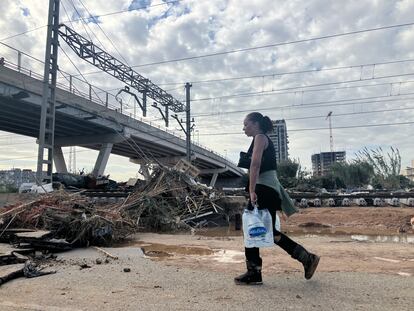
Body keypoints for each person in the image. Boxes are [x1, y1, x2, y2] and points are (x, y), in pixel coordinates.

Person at [234, 112, 320, 285]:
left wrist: (251, 190)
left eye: (246, 124)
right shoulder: (261, 138)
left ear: (256, 124)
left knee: (253, 228)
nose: (244, 128)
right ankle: (305, 258)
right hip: (268, 188)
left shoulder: (259, 137)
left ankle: (256, 272)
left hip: (263, 188)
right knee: (264, 230)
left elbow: (255, 164)